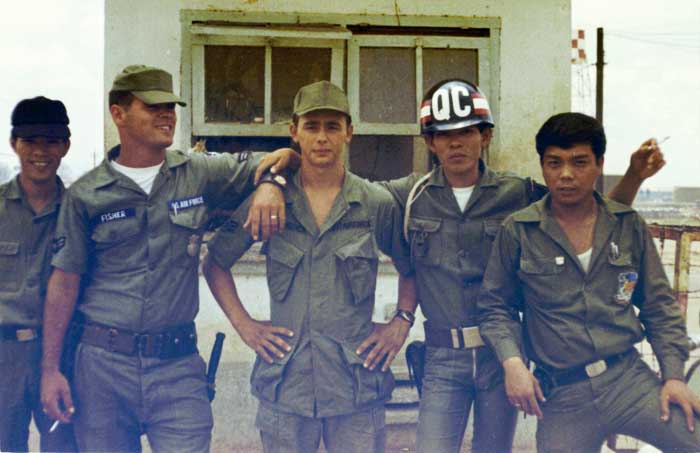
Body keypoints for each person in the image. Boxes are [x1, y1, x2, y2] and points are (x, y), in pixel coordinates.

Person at [255, 78, 666, 453]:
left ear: (484, 137)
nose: (455, 144)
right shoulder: (409, 195)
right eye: (443, 135)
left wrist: (632, 176)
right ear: (430, 142)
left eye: (466, 132)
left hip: (501, 356)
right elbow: (340, 184)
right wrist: (284, 167)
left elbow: (592, 216)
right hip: (441, 356)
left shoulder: (519, 193)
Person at [39, 64, 296, 452]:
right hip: (103, 368)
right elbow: (64, 283)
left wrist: (270, 186)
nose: (167, 114)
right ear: (118, 113)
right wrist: (50, 369)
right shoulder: (87, 195)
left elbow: (285, 157)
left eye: (171, 106)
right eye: (153, 106)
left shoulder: (198, 173)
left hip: (176, 368)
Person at [202, 80, 415, 453]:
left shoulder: (373, 202)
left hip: (355, 386)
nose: (322, 138)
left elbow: (412, 266)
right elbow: (216, 262)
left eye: (332, 127)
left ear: (349, 132)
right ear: (294, 132)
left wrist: (401, 322)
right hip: (287, 386)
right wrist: (246, 326)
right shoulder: (270, 200)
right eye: (312, 126)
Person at [478, 112, 700, 452]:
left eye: (579, 162)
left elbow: (658, 306)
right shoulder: (518, 231)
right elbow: (494, 308)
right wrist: (514, 363)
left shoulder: (627, 225)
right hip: (564, 394)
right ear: (543, 166)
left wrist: (672, 375)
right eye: (555, 163)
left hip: (628, 381)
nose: (566, 174)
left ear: (599, 164)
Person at [0, 97, 77, 452]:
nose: (40, 152)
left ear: (65, 145)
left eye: (50, 141)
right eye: (31, 141)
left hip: (64, 352)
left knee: (63, 446)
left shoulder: (80, 211)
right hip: (5, 355)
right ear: (14, 144)